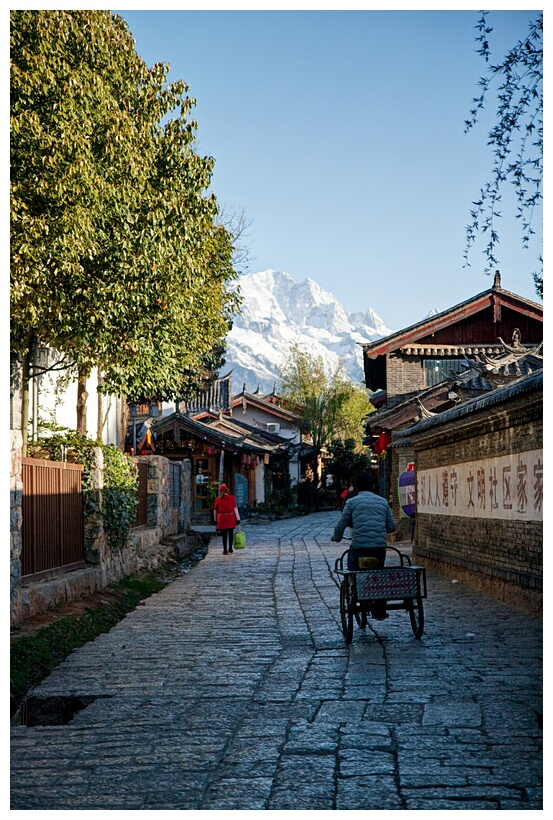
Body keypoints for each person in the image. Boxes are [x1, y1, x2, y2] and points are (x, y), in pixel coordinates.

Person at [331, 472, 396, 620]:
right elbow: (391, 527)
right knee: (378, 575)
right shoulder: (382, 502)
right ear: (373, 486)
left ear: (356, 487)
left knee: (353, 569)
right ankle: (379, 610)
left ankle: (355, 592)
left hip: (359, 547)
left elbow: (341, 524)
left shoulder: (352, 503)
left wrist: (336, 538)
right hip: (379, 548)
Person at [214, 484, 240, 555]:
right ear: (227, 490)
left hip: (222, 518)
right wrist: (238, 519)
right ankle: (230, 548)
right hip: (230, 517)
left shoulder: (217, 499)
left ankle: (225, 549)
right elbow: (235, 509)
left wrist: (215, 519)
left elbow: (215, 510)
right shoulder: (231, 498)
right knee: (231, 534)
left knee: (224, 535)